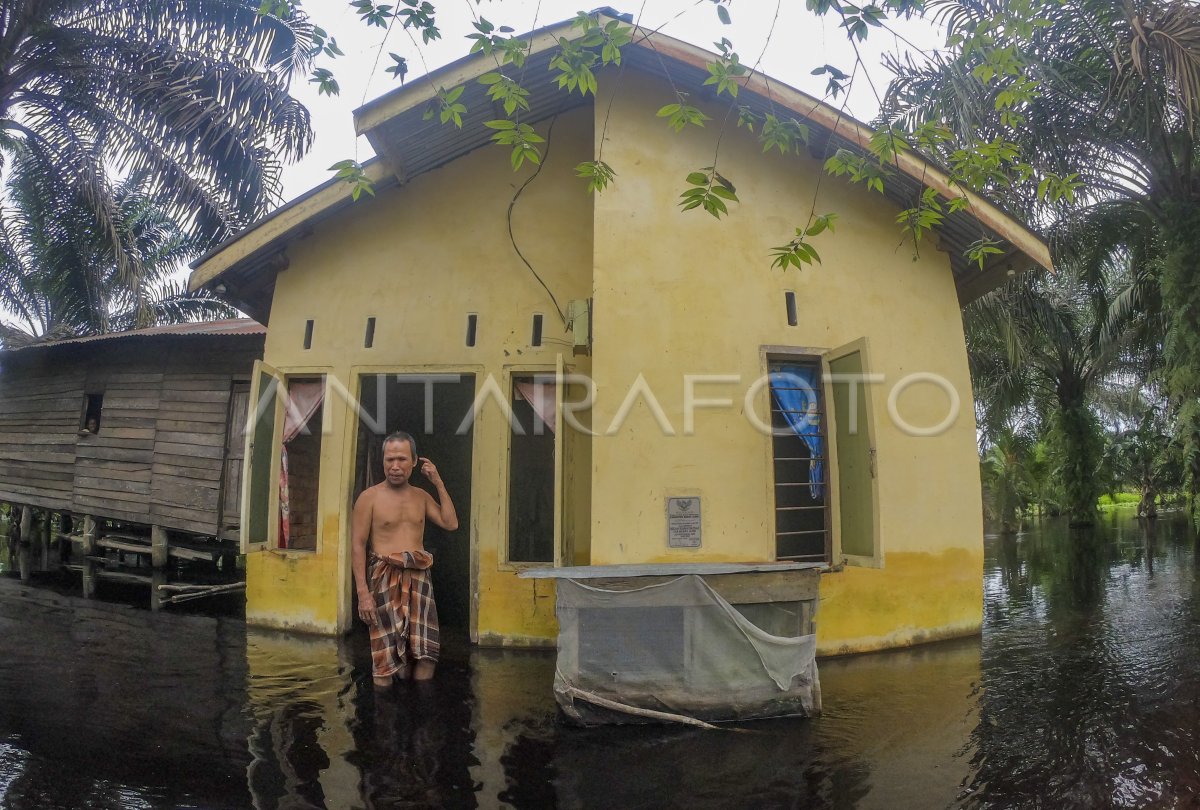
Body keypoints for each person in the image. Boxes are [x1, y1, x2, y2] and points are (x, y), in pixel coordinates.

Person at [352, 431, 459, 687]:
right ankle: (386, 719)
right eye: (389, 460)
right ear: (383, 461)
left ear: (414, 461)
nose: (395, 466)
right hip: (383, 578)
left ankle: (420, 711)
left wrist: (438, 483)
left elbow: (451, 523)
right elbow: (357, 545)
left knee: (426, 652)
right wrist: (363, 594)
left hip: (419, 578)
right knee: (385, 656)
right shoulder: (369, 498)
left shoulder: (421, 497)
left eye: (401, 459)